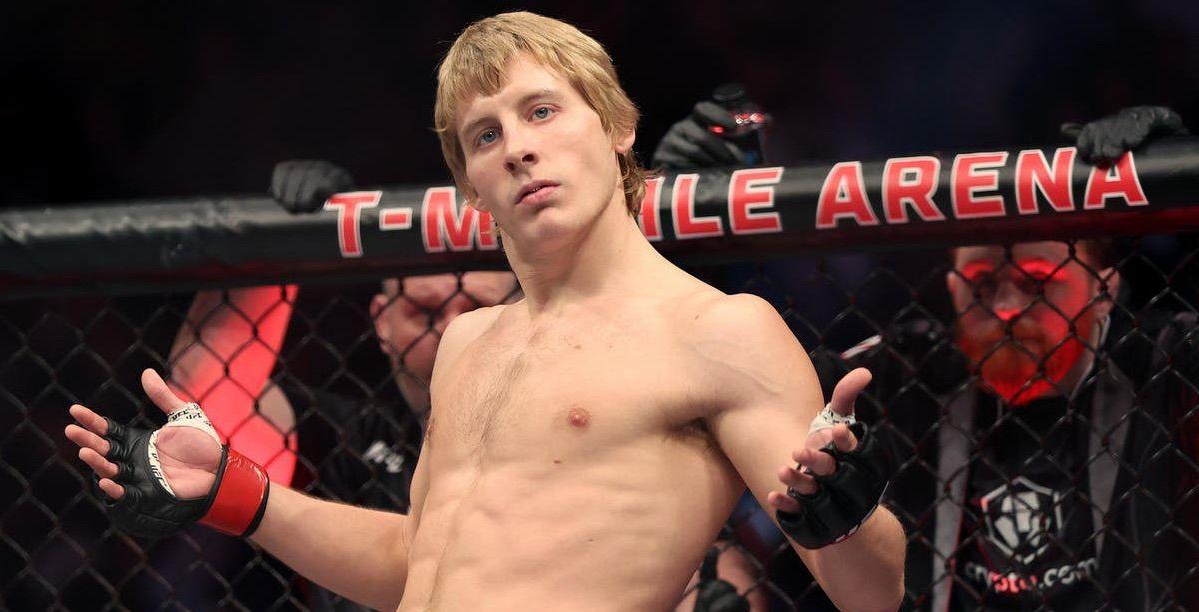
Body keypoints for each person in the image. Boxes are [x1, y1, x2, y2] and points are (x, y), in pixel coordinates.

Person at [63, 11, 905, 612]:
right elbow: (417, 564)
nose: (520, 148)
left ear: (617, 128)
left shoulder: (718, 330)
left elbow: (872, 594)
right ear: (471, 185)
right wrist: (231, 491)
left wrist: (846, 515)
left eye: (542, 111)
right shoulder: (469, 340)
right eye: (486, 135)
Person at [655, 100, 1196, 609]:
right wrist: (667, 243)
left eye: (1037, 282)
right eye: (983, 283)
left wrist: (1184, 174)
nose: (1007, 309)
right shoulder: (901, 374)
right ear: (953, 288)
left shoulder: (1164, 363)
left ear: (1104, 290)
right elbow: (714, 393)